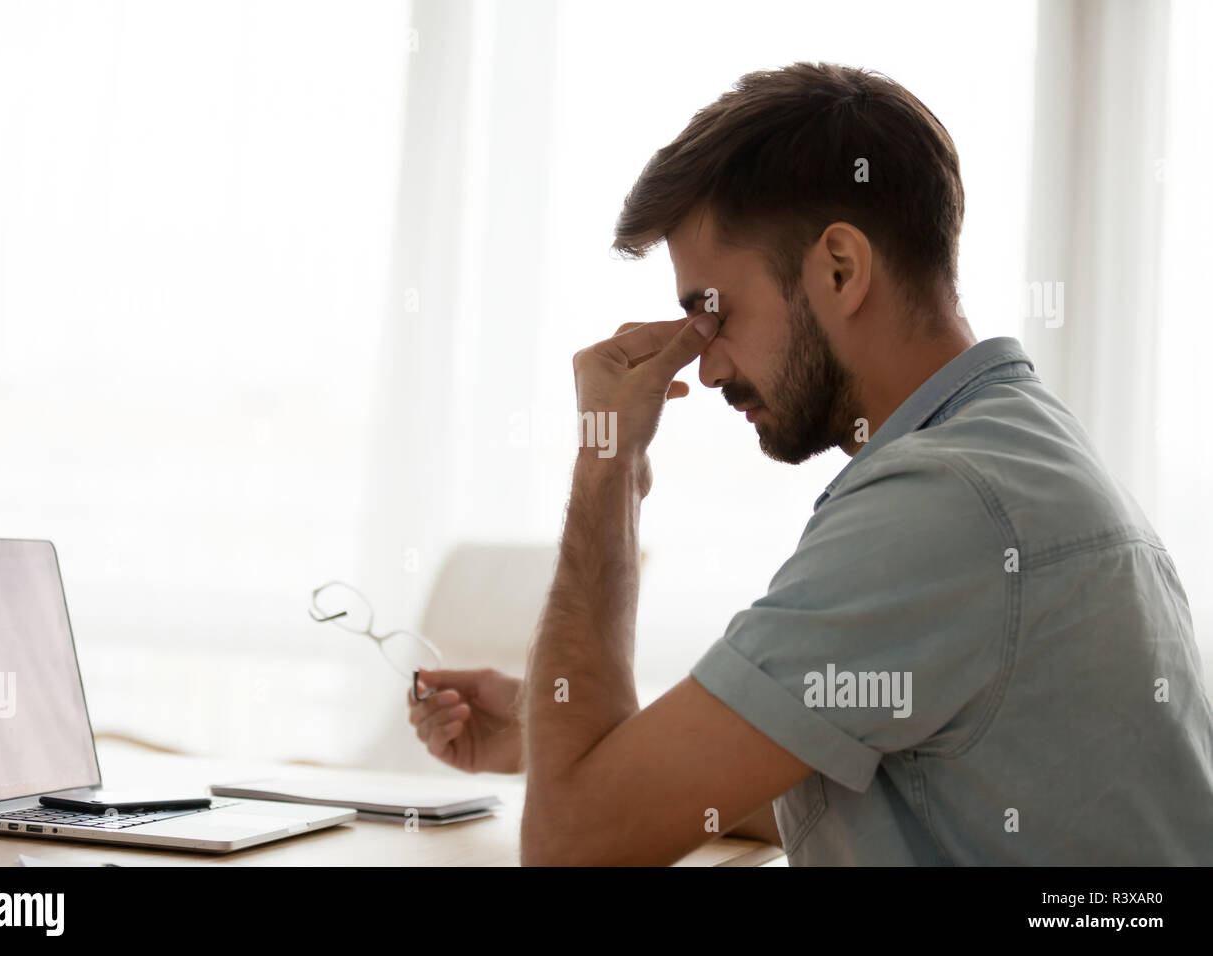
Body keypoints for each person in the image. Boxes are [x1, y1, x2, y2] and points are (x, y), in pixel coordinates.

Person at [407, 62, 1213, 865]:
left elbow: (572, 846)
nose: (707, 368)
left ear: (840, 268)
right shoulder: (1017, 453)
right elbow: (852, 783)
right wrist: (545, 735)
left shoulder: (942, 506)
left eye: (710, 315)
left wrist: (606, 460)